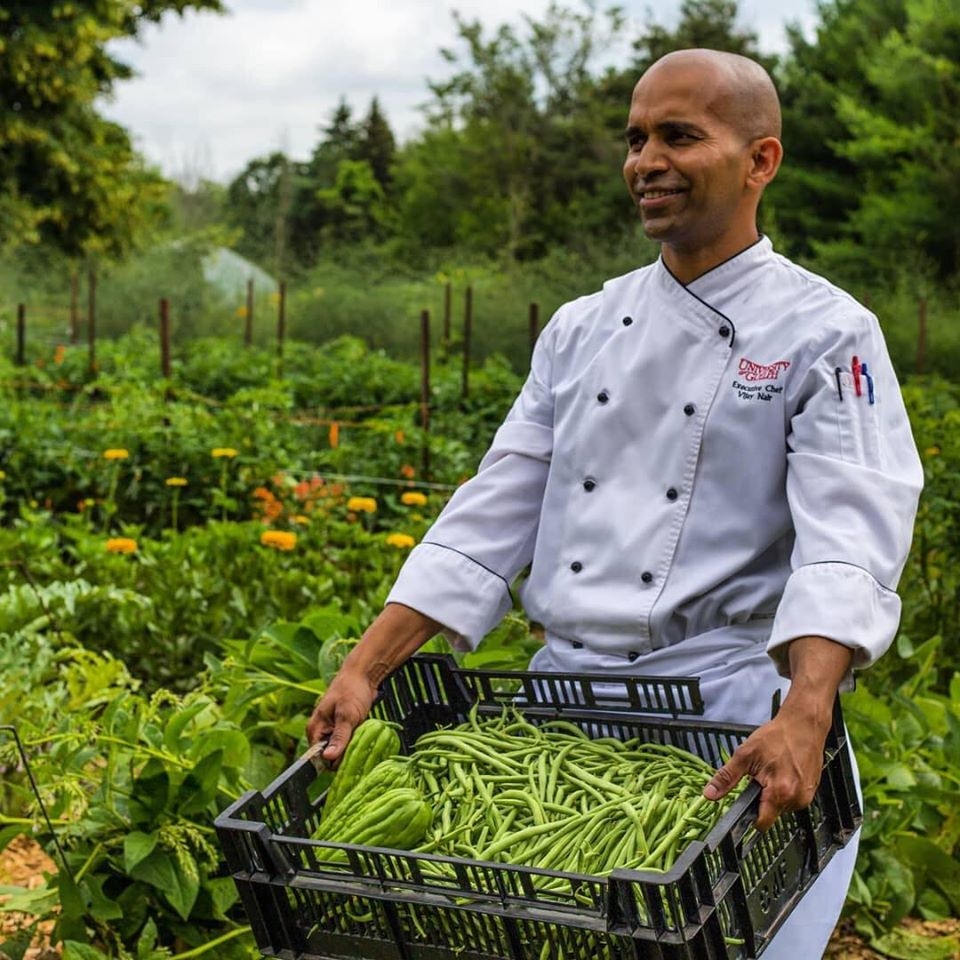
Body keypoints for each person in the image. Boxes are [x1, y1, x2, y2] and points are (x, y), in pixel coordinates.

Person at [308, 49, 923, 957]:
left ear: (761, 160)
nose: (645, 161)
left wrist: (808, 707)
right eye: (636, 139)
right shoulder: (581, 327)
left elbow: (852, 531)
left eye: (679, 135)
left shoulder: (827, 331)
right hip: (561, 714)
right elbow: (494, 508)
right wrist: (366, 666)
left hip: (721, 723)